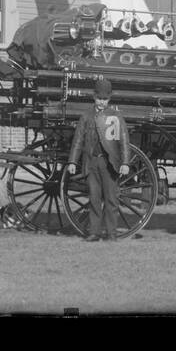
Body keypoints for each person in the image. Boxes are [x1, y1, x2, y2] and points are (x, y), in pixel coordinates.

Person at [66, 76, 130, 241]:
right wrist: (73, 161)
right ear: (94, 97)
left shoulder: (116, 116)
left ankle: (111, 233)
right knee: (94, 198)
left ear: (109, 99)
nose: (101, 102)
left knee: (111, 199)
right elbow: (78, 140)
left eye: (105, 99)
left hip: (109, 164)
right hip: (92, 162)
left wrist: (125, 163)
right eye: (99, 98)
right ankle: (94, 232)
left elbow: (124, 140)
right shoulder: (86, 116)